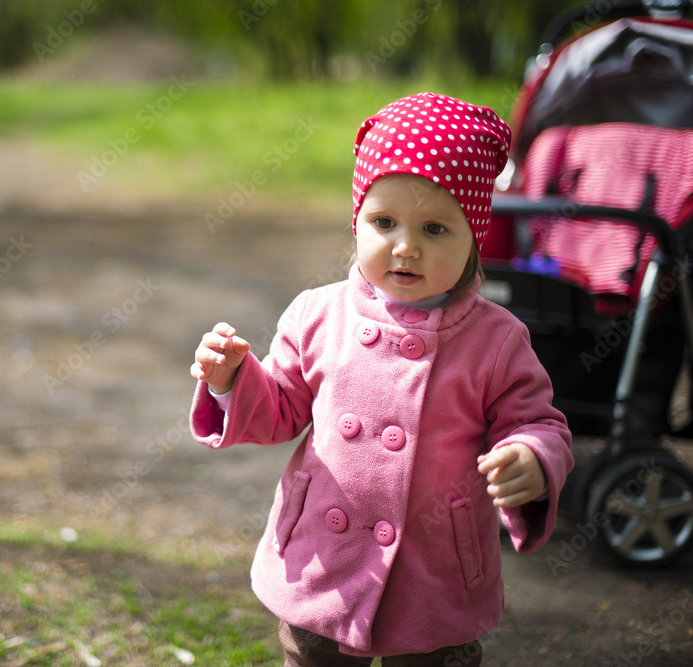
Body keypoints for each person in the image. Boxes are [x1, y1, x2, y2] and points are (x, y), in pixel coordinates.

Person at [188, 93, 573, 666]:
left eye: (436, 228)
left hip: (433, 570)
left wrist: (531, 456)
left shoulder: (497, 339)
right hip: (325, 558)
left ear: (474, 238)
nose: (406, 246)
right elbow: (282, 408)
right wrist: (231, 381)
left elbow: (537, 420)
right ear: (357, 220)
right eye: (384, 221)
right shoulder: (318, 315)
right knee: (311, 655)